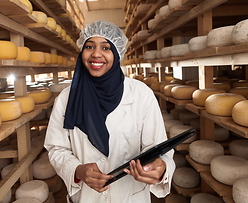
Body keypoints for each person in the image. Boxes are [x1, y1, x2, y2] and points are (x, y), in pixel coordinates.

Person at [44, 20, 175, 203]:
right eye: (89, 46)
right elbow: (56, 148)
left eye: (106, 48)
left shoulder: (140, 94)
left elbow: (160, 150)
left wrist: (160, 169)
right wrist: (78, 170)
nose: (96, 54)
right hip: (87, 197)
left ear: (117, 53)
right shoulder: (66, 98)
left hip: (131, 196)